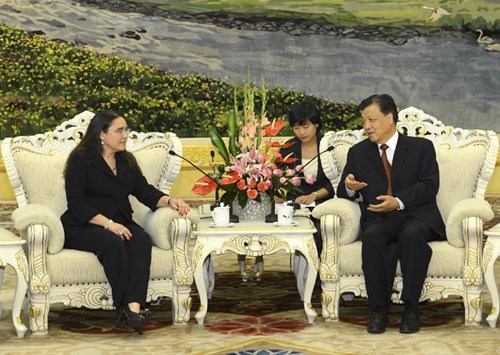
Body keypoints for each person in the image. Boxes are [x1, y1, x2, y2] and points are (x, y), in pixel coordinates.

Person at [61, 110, 190, 334]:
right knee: (112, 242)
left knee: (140, 239)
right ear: (102, 133)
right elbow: (77, 202)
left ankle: (133, 307)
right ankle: (123, 307)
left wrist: (170, 201)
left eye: (126, 130)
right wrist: (109, 224)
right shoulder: (80, 159)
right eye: (119, 131)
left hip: (118, 221)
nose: (125, 135)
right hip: (82, 223)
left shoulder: (126, 160)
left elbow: (144, 191)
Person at [337, 94, 445, 334]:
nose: (366, 126)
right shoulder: (358, 152)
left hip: (416, 215)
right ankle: (378, 310)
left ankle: (411, 308)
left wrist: (398, 202)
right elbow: (343, 192)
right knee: (373, 237)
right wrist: (350, 187)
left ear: (389, 118)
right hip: (379, 218)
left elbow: (429, 185)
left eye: (371, 119)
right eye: (363, 121)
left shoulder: (421, 147)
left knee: (411, 236)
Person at [278, 101, 336, 253]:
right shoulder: (288, 148)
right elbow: (276, 176)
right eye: (296, 128)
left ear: (316, 124)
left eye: (306, 126)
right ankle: (302, 275)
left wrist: (314, 195)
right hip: (296, 205)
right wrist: (278, 194)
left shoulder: (329, 146)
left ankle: (317, 274)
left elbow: (337, 182)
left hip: (323, 203)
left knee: (316, 231)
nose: (301, 132)